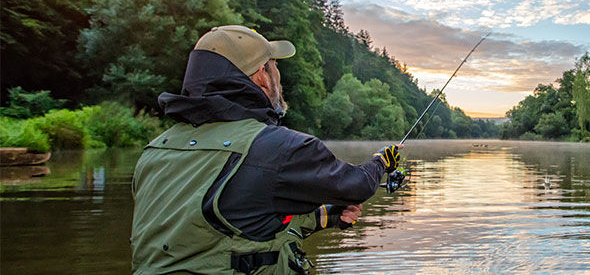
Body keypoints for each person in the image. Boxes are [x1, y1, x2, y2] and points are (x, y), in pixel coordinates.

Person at [130, 25, 402, 274]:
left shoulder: (155, 151)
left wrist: (324, 218)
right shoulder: (279, 148)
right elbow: (356, 186)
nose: (279, 78)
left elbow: (222, 225)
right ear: (262, 76)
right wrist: (380, 161)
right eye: (274, 66)